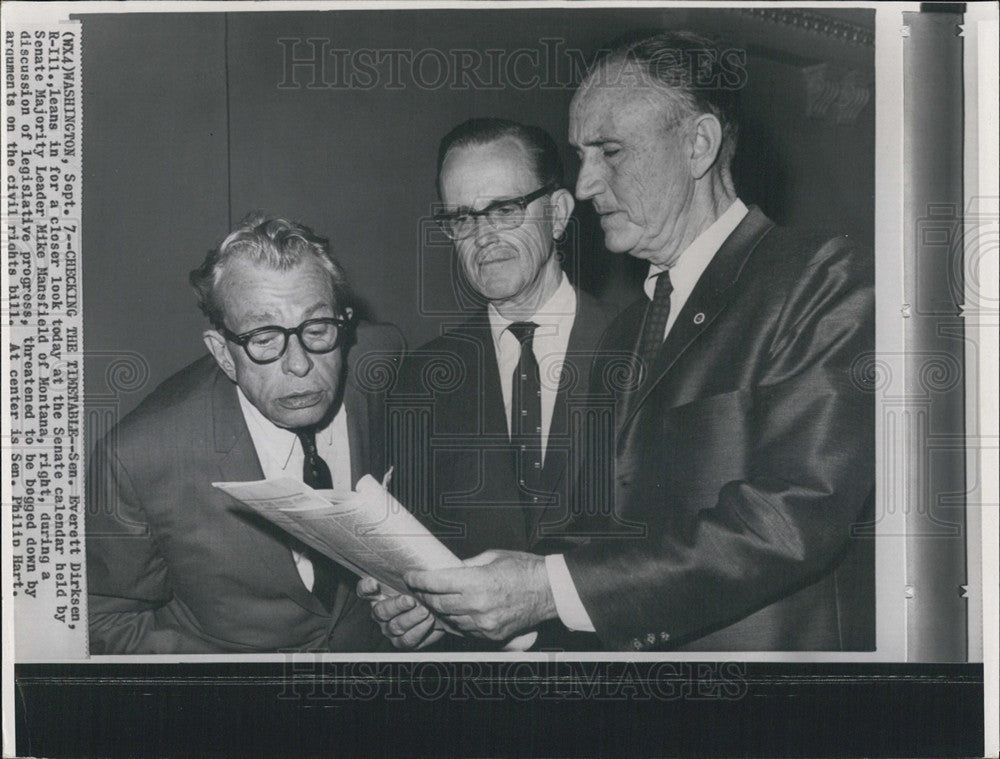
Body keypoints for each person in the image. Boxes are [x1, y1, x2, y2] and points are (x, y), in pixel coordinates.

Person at [383, 31, 876, 651]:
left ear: (698, 145)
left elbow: (791, 519)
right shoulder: (628, 329)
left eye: (610, 152)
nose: (586, 185)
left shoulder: (819, 278)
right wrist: (468, 595)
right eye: (580, 154)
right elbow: (603, 528)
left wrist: (543, 588)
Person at [86, 213, 403, 653]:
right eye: (263, 337)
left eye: (316, 328)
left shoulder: (382, 364)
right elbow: (104, 622)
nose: (299, 364)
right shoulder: (138, 457)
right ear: (223, 354)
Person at [359, 118, 615, 650]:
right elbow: (416, 554)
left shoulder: (640, 349)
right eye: (461, 217)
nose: (483, 237)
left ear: (561, 213)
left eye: (504, 209)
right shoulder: (420, 381)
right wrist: (407, 607)